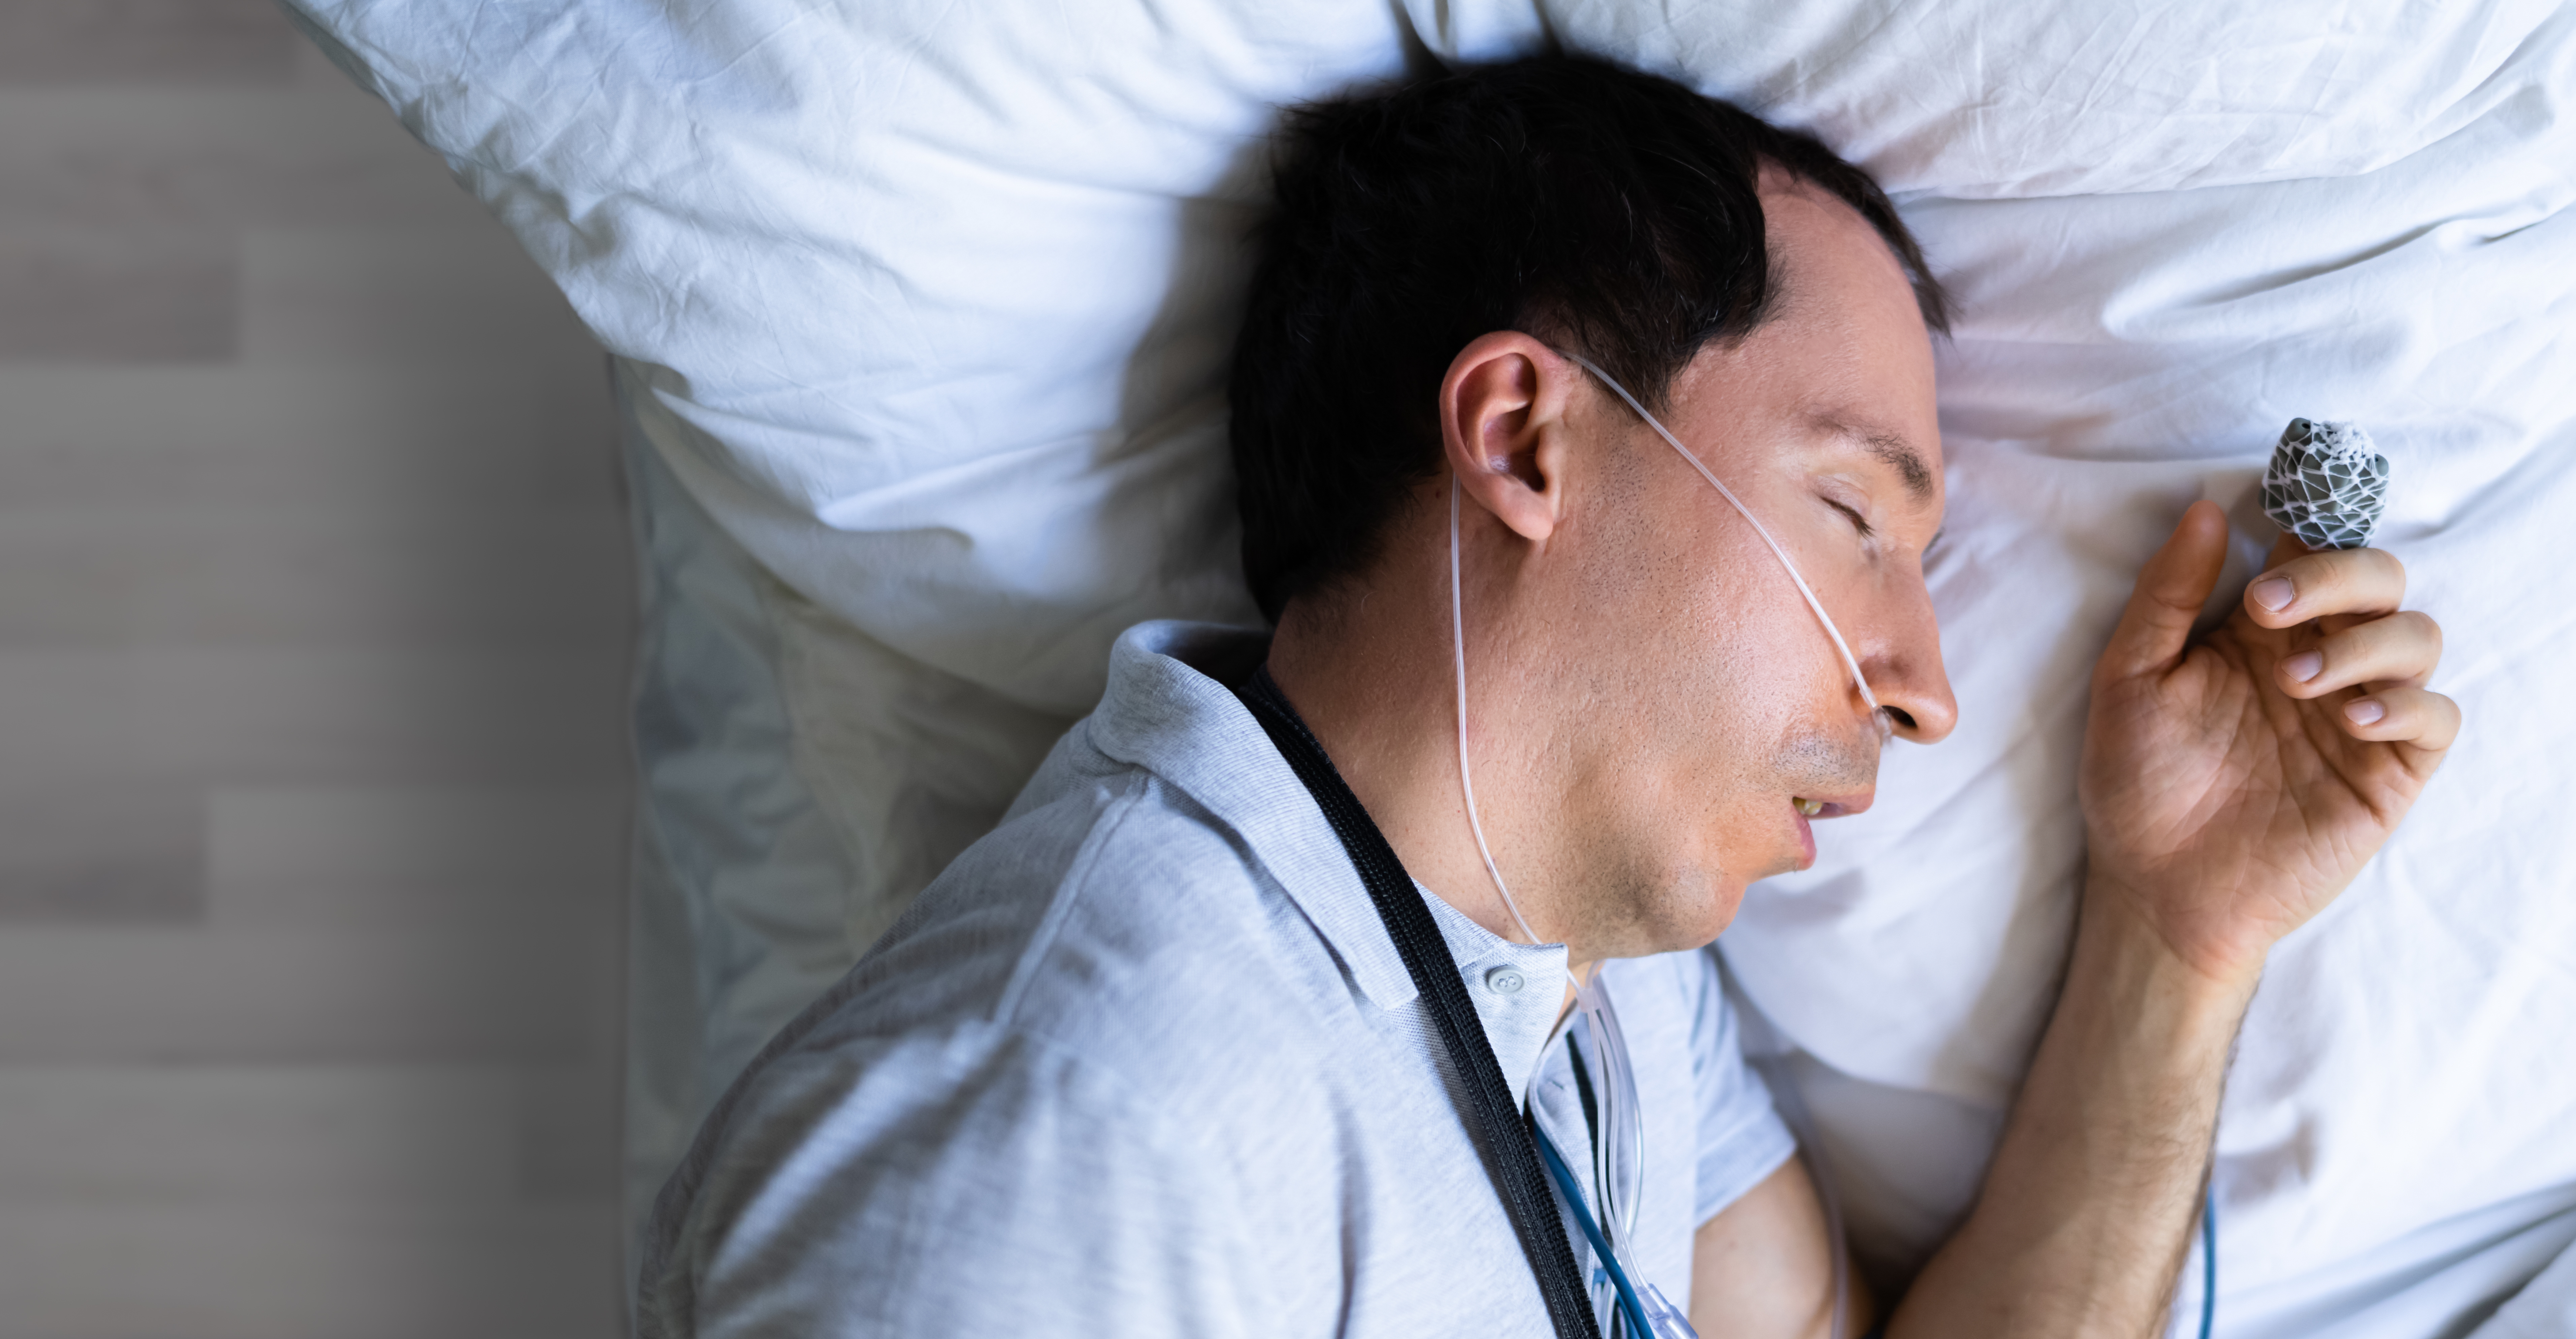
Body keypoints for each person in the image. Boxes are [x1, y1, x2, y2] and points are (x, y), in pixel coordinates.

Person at [635, 53, 2457, 1339]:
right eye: (1851, 518)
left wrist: (2176, 933)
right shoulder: (1065, 1144)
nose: (1920, 691)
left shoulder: (1585, 990)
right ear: (1523, 438)